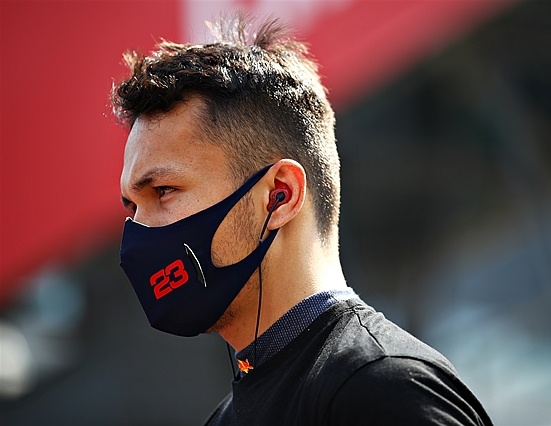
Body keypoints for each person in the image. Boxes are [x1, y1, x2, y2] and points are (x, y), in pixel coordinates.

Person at [112, 13, 493, 426]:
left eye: (163, 191)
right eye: (132, 207)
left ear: (279, 195)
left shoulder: (379, 388)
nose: (138, 234)